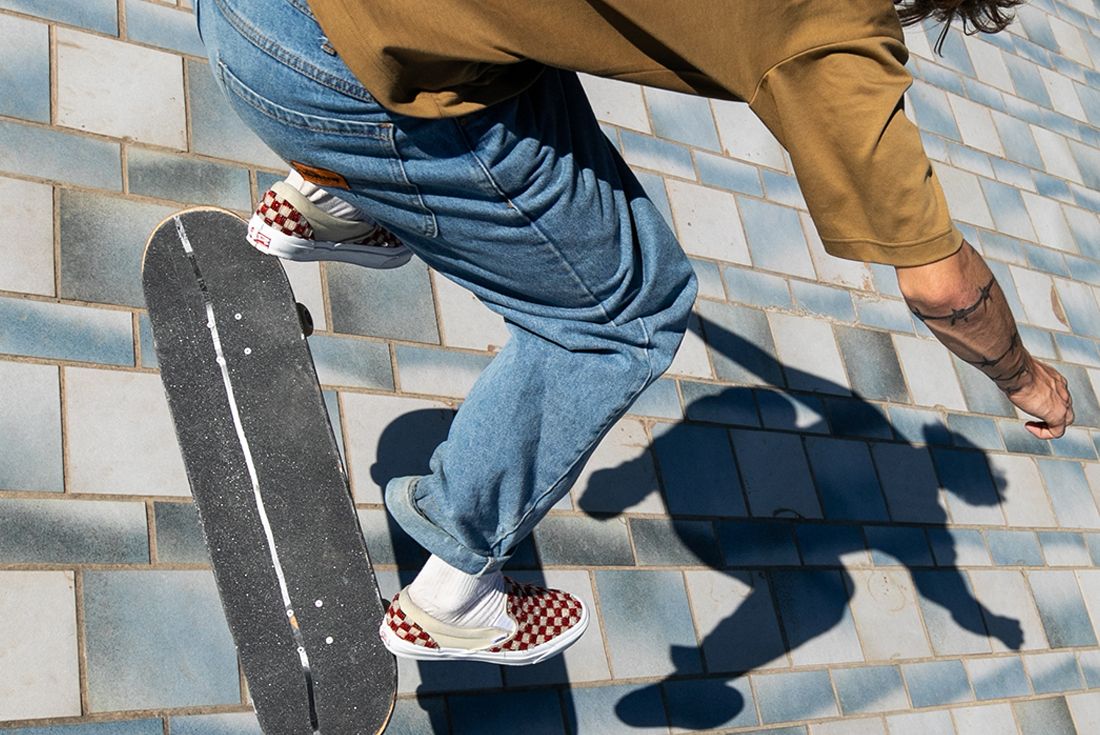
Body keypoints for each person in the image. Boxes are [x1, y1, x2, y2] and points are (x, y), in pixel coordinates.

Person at [194, 0, 1075, 666]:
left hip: (256, 19)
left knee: (523, 51)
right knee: (625, 313)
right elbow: (945, 287)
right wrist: (1028, 378)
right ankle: (451, 587)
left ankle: (342, 201)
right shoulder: (830, 31)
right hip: (334, 79)